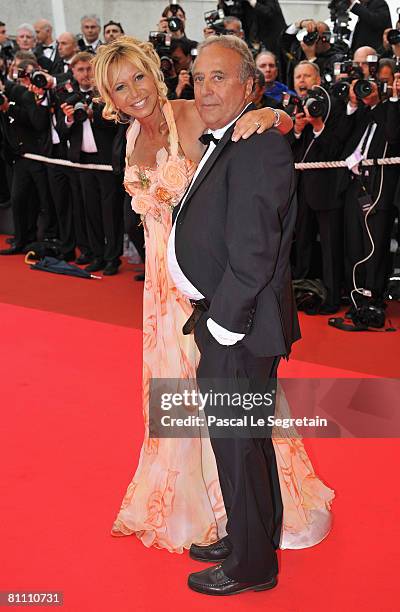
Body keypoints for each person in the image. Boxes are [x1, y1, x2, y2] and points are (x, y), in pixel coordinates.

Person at [92, 35, 333, 556]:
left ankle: (248, 520)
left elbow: (265, 131)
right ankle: (204, 509)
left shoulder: (192, 114)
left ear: (154, 72)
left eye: (138, 77)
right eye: (120, 87)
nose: (134, 92)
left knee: (229, 399)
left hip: (209, 282)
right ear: (109, 99)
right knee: (180, 396)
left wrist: (273, 117)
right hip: (159, 289)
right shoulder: (128, 140)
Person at [169, 33, 298, 595]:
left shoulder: (258, 141)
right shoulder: (229, 138)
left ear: (250, 85)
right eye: (199, 77)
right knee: (245, 439)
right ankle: (253, 537)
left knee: (238, 442)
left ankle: (251, 568)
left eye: (219, 77)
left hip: (239, 324)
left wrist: (223, 323)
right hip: (230, 318)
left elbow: (254, 249)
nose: (205, 88)